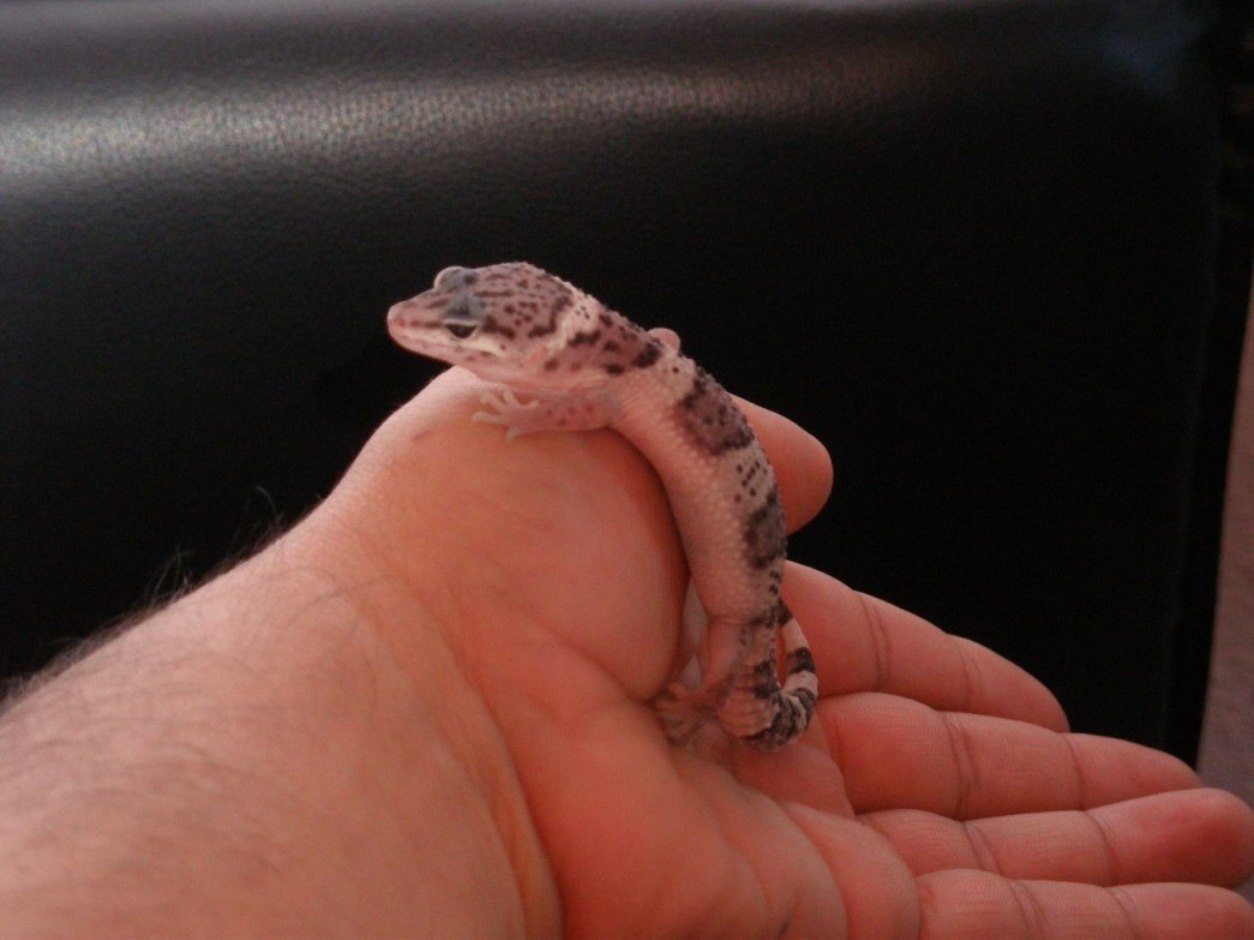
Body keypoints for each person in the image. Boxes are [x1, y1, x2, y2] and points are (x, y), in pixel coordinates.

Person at [1, 368, 1251, 938]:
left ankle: (732, 699)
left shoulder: (614, 379)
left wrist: (718, 689)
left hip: (743, 590)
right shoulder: (605, 371)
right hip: (728, 582)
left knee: (742, 672)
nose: (434, 333)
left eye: (466, 325)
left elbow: (612, 407)